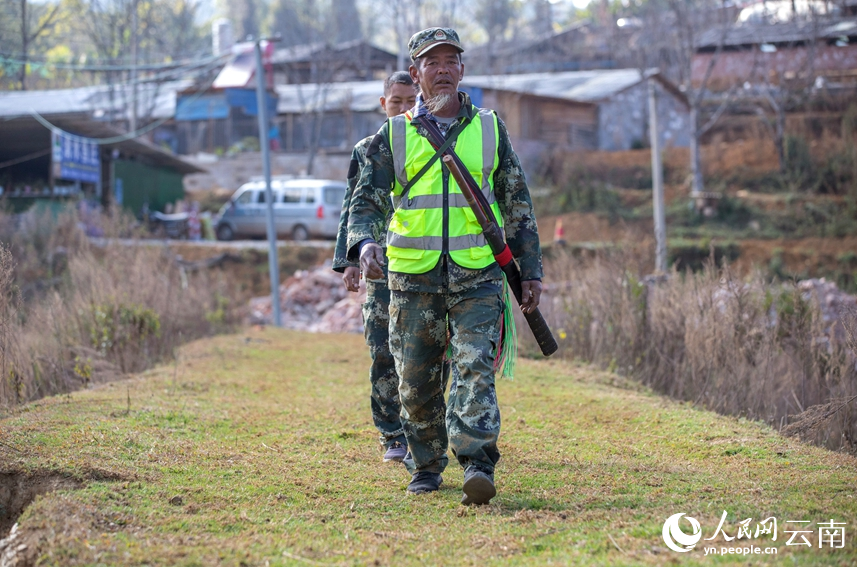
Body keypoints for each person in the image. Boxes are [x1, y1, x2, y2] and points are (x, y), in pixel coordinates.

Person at [346, 28, 543, 505]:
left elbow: (517, 204)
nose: (442, 69)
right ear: (416, 75)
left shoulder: (491, 129)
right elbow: (365, 201)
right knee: (415, 377)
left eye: (451, 60)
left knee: (475, 365)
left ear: (462, 69)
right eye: (431, 63)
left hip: (478, 275)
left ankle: (477, 462)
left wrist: (531, 270)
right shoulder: (391, 135)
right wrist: (364, 243)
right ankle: (427, 464)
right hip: (413, 278)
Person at [332, 72, 417, 463]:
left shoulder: (428, 145)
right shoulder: (367, 149)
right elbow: (353, 206)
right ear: (384, 105)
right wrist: (348, 260)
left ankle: (425, 431)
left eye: (410, 100)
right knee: (382, 347)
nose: (404, 108)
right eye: (396, 101)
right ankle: (391, 435)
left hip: (420, 262)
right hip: (378, 265)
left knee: (426, 350)